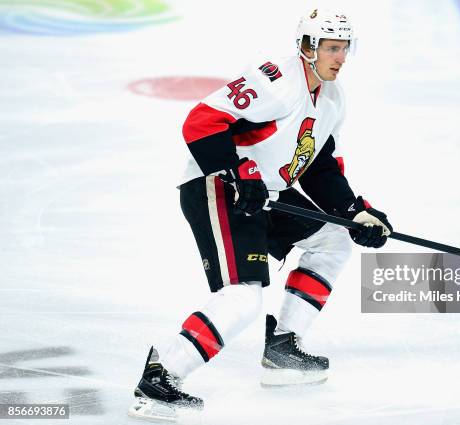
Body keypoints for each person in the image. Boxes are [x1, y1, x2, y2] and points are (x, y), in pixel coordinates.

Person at [128, 8, 393, 421]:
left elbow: (320, 165)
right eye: (331, 48)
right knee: (242, 296)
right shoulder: (277, 81)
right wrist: (237, 171)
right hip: (216, 186)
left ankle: (284, 345)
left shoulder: (333, 99)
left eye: (344, 48)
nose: (340, 57)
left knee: (334, 238)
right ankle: (163, 374)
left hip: (265, 192)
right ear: (308, 48)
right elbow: (202, 121)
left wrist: (355, 212)